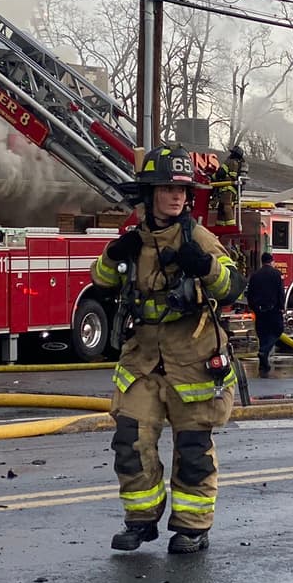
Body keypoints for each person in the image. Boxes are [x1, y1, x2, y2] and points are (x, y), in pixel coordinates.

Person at [91, 144, 245, 554]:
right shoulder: (133, 240)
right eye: (167, 188)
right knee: (130, 440)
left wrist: (204, 267)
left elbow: (232, 287)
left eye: (182, 190)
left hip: (192, 359)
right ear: (149, 194)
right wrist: (112, 255)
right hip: (142, 358)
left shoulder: (199, 237)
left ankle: (192, 527)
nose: (177, 196)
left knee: (192, 449)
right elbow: (101, 280)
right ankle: (140, 520)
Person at [245, 252, 285, 376]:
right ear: (271, 261)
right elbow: (280, 292)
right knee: (277, 331)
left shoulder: (255, 275)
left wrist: (253, 307)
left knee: (263, 335)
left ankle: (264, 364)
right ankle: (264, 351)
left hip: (259, 310)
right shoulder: (276, 274)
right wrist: (282, 306)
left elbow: (250, 293)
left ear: (262, 261)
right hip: (273, 310)